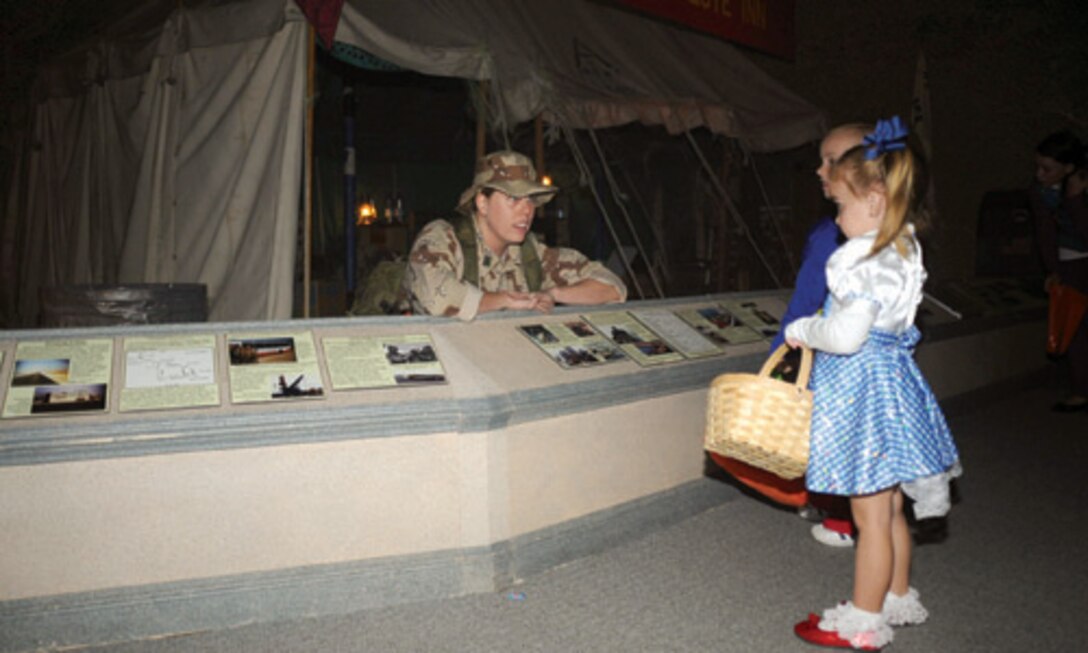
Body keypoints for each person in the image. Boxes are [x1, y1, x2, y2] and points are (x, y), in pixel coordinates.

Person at [785, 117, 960, 650]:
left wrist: (802, 329)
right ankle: (897, 595)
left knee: (868, 514)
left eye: (840, 206)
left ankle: (863, 619)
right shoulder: (901, 248)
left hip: (862, 389)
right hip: (892, 383)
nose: (836, 218)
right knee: (889, 508)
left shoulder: (861, 259)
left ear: (877, 199)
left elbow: (843, 334)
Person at [771, 123, 872, 550]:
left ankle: (838, 516)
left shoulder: (833, 236)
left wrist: (780, 351)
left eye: (832, 161)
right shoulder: (893, 238)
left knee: (828, 434)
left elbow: (805, 302)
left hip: (832, 355)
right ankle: (862, 518)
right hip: (877, 364)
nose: (819, 170)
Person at [403, 150, 627, 320]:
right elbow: (432, 296)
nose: (527, 210)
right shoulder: (443, 239)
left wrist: (554, 293)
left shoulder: (531, 253)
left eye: (530, 199)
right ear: (482, 202)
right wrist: (504, 301)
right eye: (513, 199)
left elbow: (612, 288)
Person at [1029, 130, 1088, 412]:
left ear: (1069, 168)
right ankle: (1080, 390)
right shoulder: (1042, 192)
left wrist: (1075, 199)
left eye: (1047, 169)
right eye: (1038, 166)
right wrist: (1052, 270)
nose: (1040, 174)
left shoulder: (1081, 189)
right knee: (1073, 325)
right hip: (1068, 263)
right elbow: (1045, 231)